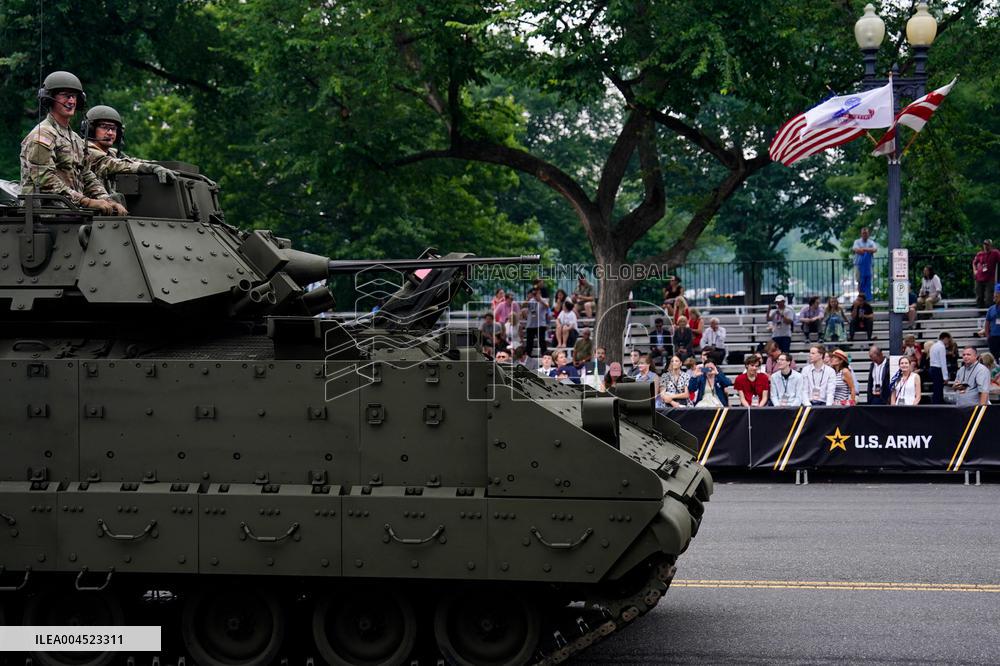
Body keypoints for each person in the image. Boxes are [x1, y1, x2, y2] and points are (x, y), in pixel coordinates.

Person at [19, 71, 126, 216]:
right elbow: (44, 179)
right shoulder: (42, 134)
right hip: (42, 217)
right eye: (65, 95)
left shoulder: (75, 139)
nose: (71, 101)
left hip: (70, 213)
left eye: (74, 96)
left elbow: (86, 174)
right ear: (50, 99)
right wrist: (86, 201)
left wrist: (106, 199)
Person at [83, 104, 176, 194]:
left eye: (113, 128)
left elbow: (132, 161)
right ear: (91, 129)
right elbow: (116, 164)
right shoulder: (85, 150)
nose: (110, 133)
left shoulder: (112, 153)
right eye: (104, 127)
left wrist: (158, 165)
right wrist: (151, 168)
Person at [972, 239, 1000, 309]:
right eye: (984, 244)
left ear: (990, 245)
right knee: (979, 297)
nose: (985, 246)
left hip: (989, 279)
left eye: (987, 244)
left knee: (989, 298)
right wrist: (975, 270)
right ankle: (979, 313)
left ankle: (989, 313)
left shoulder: (995, 253)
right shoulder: (980, 254)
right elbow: (974, 263)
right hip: (979, 278)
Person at [852, 227, 877, 301]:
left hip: (869, 265)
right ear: (861, 234)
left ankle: (868, 297)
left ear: (868, 234)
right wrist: (868, 250)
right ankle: (861, 297)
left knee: (868, 280)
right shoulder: (857, 241)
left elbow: (875, 249)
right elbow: (856, 250)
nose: (865, 234)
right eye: (863, 233)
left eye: (866, 233)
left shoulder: (871, 242)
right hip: (858, 264)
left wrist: (864, 249)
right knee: (860, 281)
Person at [524, 287, 550, 358]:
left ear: (539, 293)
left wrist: (540, 300)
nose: (535, 294)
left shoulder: (544, 300)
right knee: (529, 342)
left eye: (537, 292)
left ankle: (544, 355)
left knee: (542, 341)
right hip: (530, 324)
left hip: (540, 324)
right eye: (534, 293)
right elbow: (523, 306)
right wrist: (528, 299)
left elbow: (547, 306)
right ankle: (528, 356)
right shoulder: (530, 300)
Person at [929, 331, 951, 404]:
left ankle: (937, 401)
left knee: (936, 388)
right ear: (945, 338)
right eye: (948, 339)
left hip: (932, 368)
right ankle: (938, 402)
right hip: (938, 368)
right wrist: (945, 376)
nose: (948, 341)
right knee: (938, 388)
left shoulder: (933, 345)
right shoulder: (941, 347)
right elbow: (943, 362)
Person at [982, 285, 1000, 359]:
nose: (994, 298)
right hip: (993, 337)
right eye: (994, 296)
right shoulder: (991, 309)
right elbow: (987, 324)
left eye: (996, 296)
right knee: (994, 357)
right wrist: (988, 337)